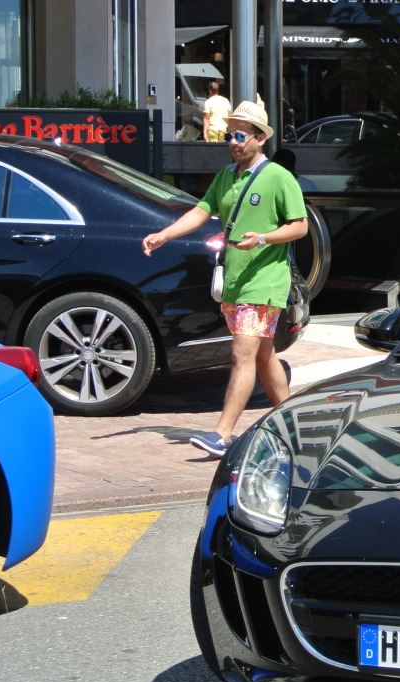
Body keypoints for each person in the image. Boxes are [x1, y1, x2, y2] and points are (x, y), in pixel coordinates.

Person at [142, 101, 308, 457]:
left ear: (260, 139)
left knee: (241, 353)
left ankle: (222, 433)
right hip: (235, 280)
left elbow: (300, 226)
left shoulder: (279, 177)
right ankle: (292, 428)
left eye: (241, 135)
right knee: (264, 356)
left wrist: (263, 238)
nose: (233, 141)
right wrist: (164, 235)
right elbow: (202, 211)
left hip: (264, 281)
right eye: (230, 134)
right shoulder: (226, 176)